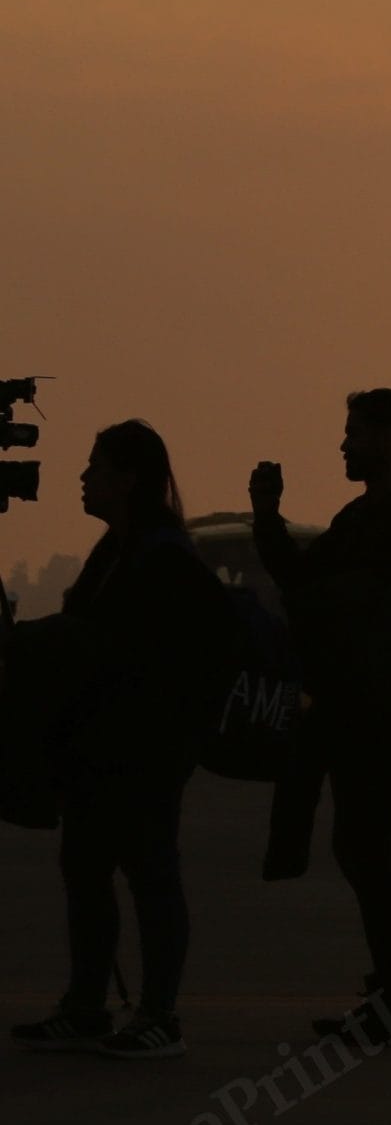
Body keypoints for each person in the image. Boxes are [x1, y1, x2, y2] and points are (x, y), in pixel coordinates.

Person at [251, 389, 391, 1047]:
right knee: (361, 844)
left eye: (354, 432)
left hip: (383, 714)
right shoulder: (360, 518)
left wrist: (369, 623)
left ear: (388, 438)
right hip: (352, 712)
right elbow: (299, 576)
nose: (343, 444)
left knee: (363, 844)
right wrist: (268, 514)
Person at [8, 423, 229, 1059]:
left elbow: (118, 648)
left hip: (145, 752)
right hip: (99, 749)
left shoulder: (162, 558)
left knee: (151, 875)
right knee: (85, 871)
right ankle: (86, 1008)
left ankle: (160, 1015)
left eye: (95, 466)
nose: (83, 478)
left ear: (127, 478)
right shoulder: (118, 549)